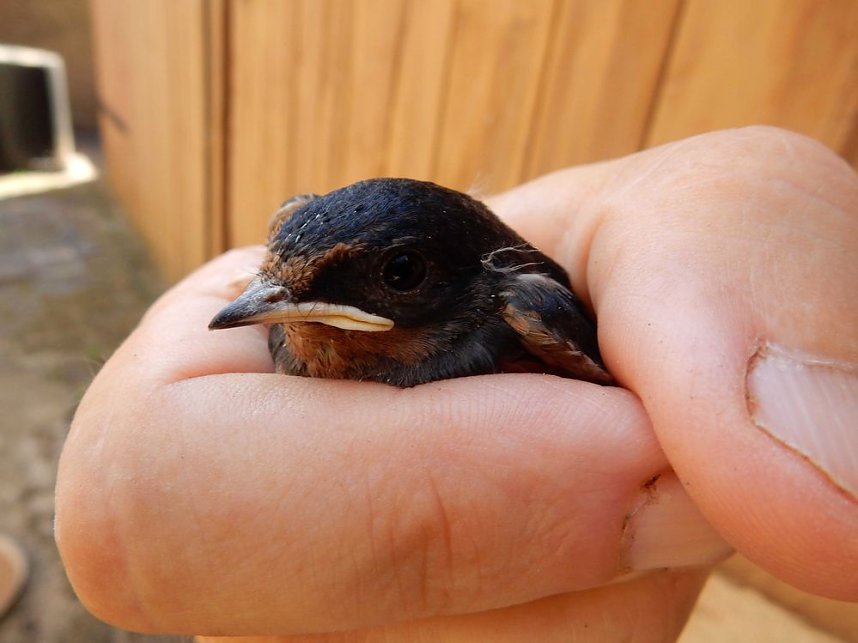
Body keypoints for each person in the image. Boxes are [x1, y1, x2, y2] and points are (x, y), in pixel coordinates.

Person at [55, 127, 857, 642]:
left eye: (398, 274)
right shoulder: (294, 334)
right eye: (275, 276)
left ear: (463, 280)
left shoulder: (522, 304)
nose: (273, 308)